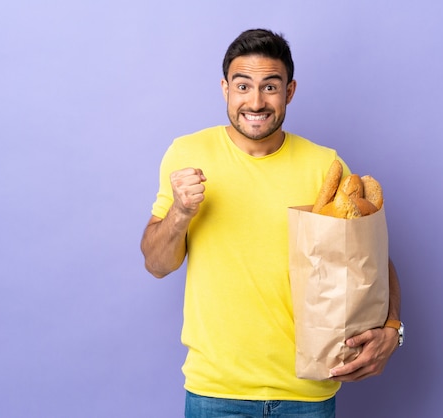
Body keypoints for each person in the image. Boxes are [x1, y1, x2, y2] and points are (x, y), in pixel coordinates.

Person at [140, 28, 403, 418]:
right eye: (243, 86)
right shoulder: (188, 153)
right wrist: (180, 211)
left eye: (270, 86)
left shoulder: (324, 166)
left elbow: (375, 261)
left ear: (290, 91)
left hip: (307, 392)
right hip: (215, 392)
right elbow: (157, 264)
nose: (256, 101)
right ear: (225, 88)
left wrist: (393, 330)